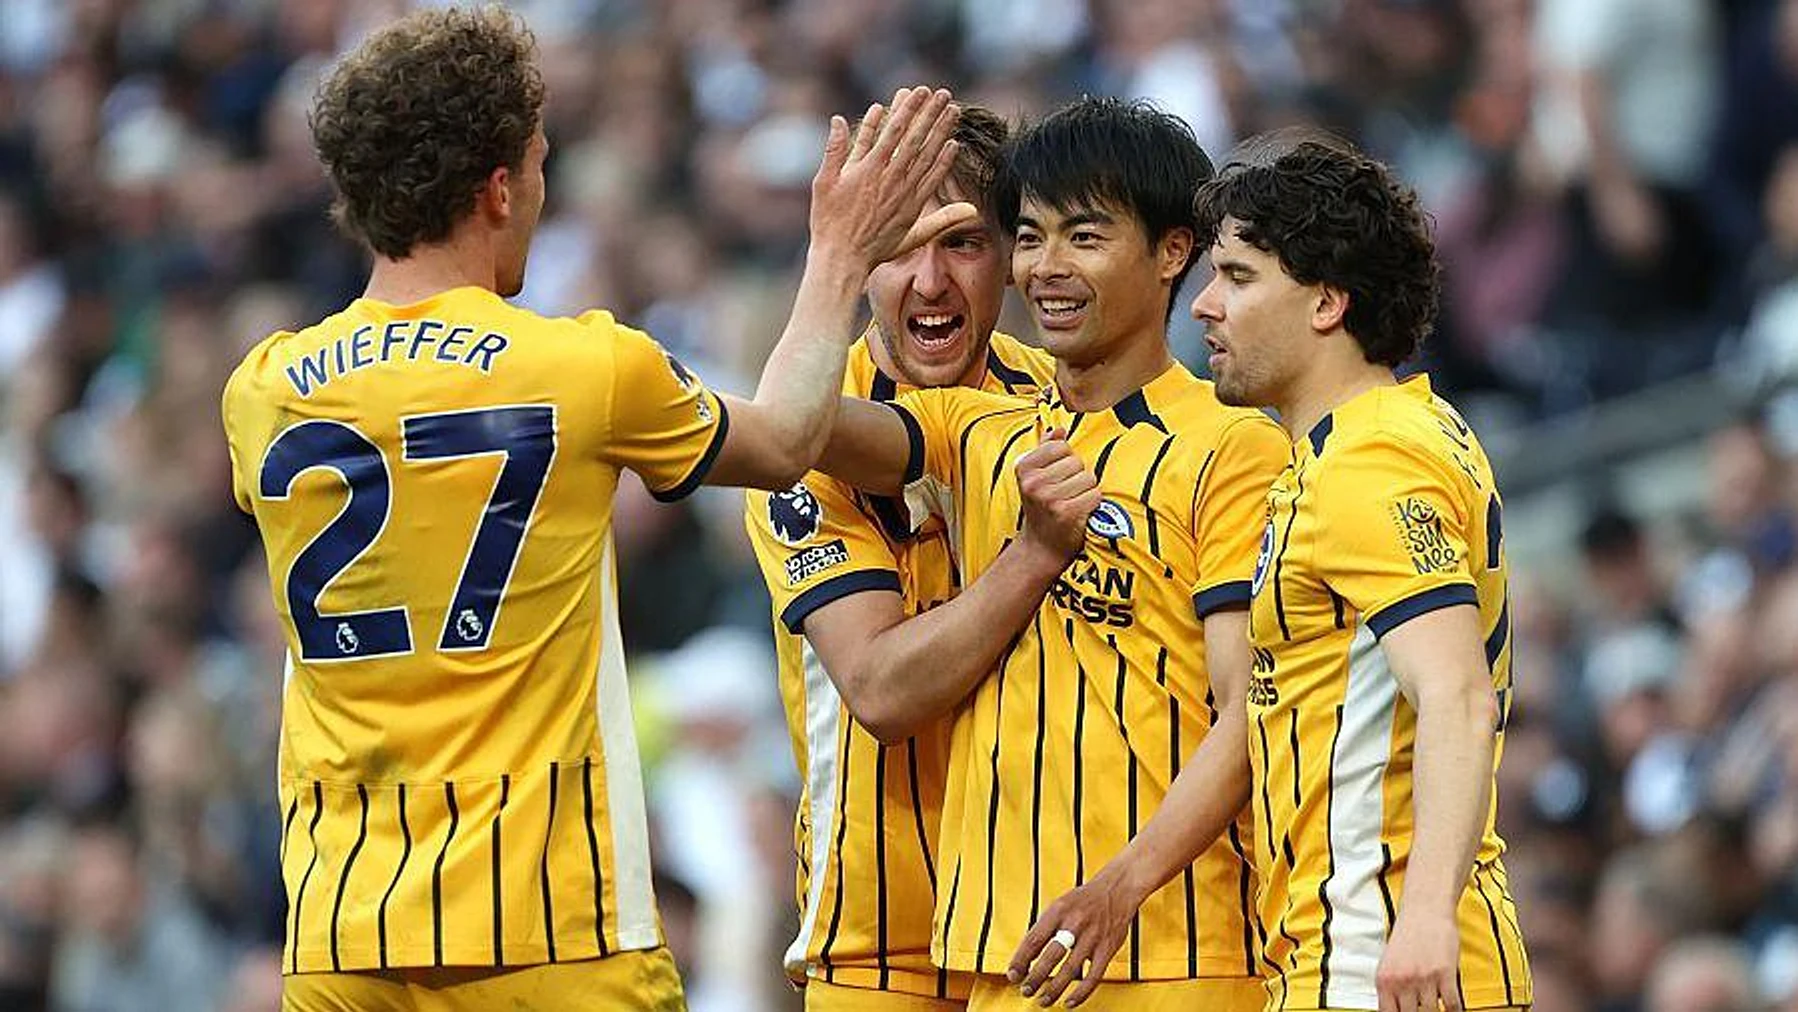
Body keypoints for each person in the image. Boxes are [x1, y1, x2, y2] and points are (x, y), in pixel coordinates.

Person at [217, 7, 969, 1011]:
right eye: (537, 165)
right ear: (498, 188)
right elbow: (790, 439)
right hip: (550, 930)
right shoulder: (582, 368)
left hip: (340, 937)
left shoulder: (262, 389)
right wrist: (839, 253)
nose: (541, 192)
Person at [1016, 136, 1532, 1012]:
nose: (1205, 305)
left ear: (1327, 301)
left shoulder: (1369, 462)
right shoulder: (1379, 438)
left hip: (1378, 957)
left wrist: (1423, 921)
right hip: (1349, 949)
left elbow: (1457, 695)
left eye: (1239, 277)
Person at [816, 96, 1288, 1012]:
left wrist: (1121, 885)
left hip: (1168, 954)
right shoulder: (979, 430)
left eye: (1085, 236)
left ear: (1173, 252)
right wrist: (836, 255)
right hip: (993, 958)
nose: (1048, 267)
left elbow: (1249, 713)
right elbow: (785, 432)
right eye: (1031, 237)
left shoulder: (1234, 448)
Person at [742, 104, 1059, 1012]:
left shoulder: (1057, 398)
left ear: (1011, 256)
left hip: (1041, 924)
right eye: (896, 247)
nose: (929, 281)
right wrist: (1033, 554)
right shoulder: (802, 437)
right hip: (880, 943)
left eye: (962, 243)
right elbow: (879, 691)